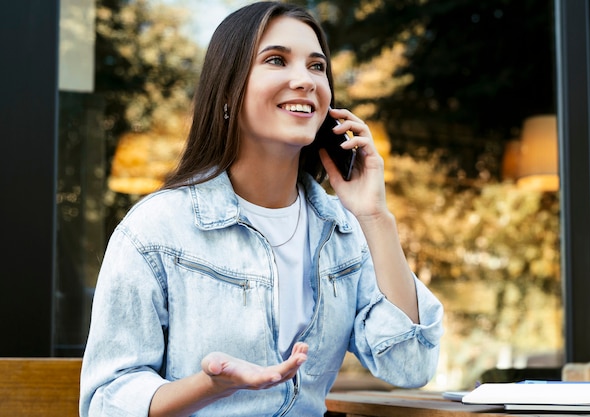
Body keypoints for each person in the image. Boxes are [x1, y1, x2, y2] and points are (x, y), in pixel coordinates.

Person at [79, 2, 444, 416]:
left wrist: (375, 217)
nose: (305, 80)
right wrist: (209, 385)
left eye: (317, 67)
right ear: (229, 90)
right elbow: (106, 401)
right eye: (276, 60)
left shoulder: (343, 231)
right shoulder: (155, 231)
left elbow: (410, 363)